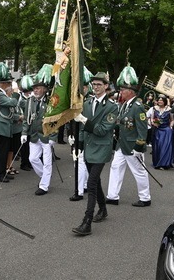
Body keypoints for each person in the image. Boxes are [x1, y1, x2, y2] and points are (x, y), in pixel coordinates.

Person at [71, 71, 118, 236]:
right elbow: (84, 130)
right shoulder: (88, 102)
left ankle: (87, 222)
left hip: (101, 148)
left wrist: (84, 120)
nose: (96, 87)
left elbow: (102, 130)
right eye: (94, 84)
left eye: (99, 84)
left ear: (106, 86)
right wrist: (78, 143)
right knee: (95, 182)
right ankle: (103, 209)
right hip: (89, 148)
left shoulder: (112, 107)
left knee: (90, 184)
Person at [105, 63, 151, 207]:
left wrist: (139, 145)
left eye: (123, 89)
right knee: (115, 167)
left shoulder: (138, 107)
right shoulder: (124, 105)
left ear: (130, 91)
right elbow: (121, 123)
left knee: (139, 172)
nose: (121, 91)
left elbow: (143, 129)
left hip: (132, 146)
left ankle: (145, 198)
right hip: (121, 144)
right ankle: (112, 196)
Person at [21, 64, 56, 195]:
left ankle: (44, 186)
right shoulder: (30, 101)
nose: (35, 90)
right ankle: (45, 177)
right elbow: (26, 118)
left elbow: (55, 120)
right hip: (34, 135)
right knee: (33, 159)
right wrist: (24, 133)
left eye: (38, 88)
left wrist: (53, 137)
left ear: (44, 89)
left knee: (47, 162)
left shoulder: (51, 102)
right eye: (34, 88)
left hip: (46, 135)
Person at [0, 62, 17, 183]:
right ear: (4, 84)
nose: (10, 85)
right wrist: (15, 93)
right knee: (1, 152)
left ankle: (2, 172)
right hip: (1, 127)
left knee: (4, 151)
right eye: (9, 83)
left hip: (5, 126)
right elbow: (13, 103)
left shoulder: (1, 94)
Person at [146, 94, 174, 170]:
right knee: (157, 146)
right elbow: (151, 118)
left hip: (166, 130)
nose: (160, 101)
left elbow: (172, 120)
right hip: (157, 129)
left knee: (164, 147)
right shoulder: (154, 108)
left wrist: (170, 127)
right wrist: (152, 123)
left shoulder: (169, 109)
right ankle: (157, 162)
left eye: (161, 100)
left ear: (164, 101)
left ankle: (164, 164)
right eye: (159, 100)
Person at [18, 76, 34, 172]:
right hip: (24, 125)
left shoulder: (28, 99)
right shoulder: (23, 100)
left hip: (30, 125)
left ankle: (28, 162)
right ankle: (24, 163)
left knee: (30, 146)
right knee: (25, 146)